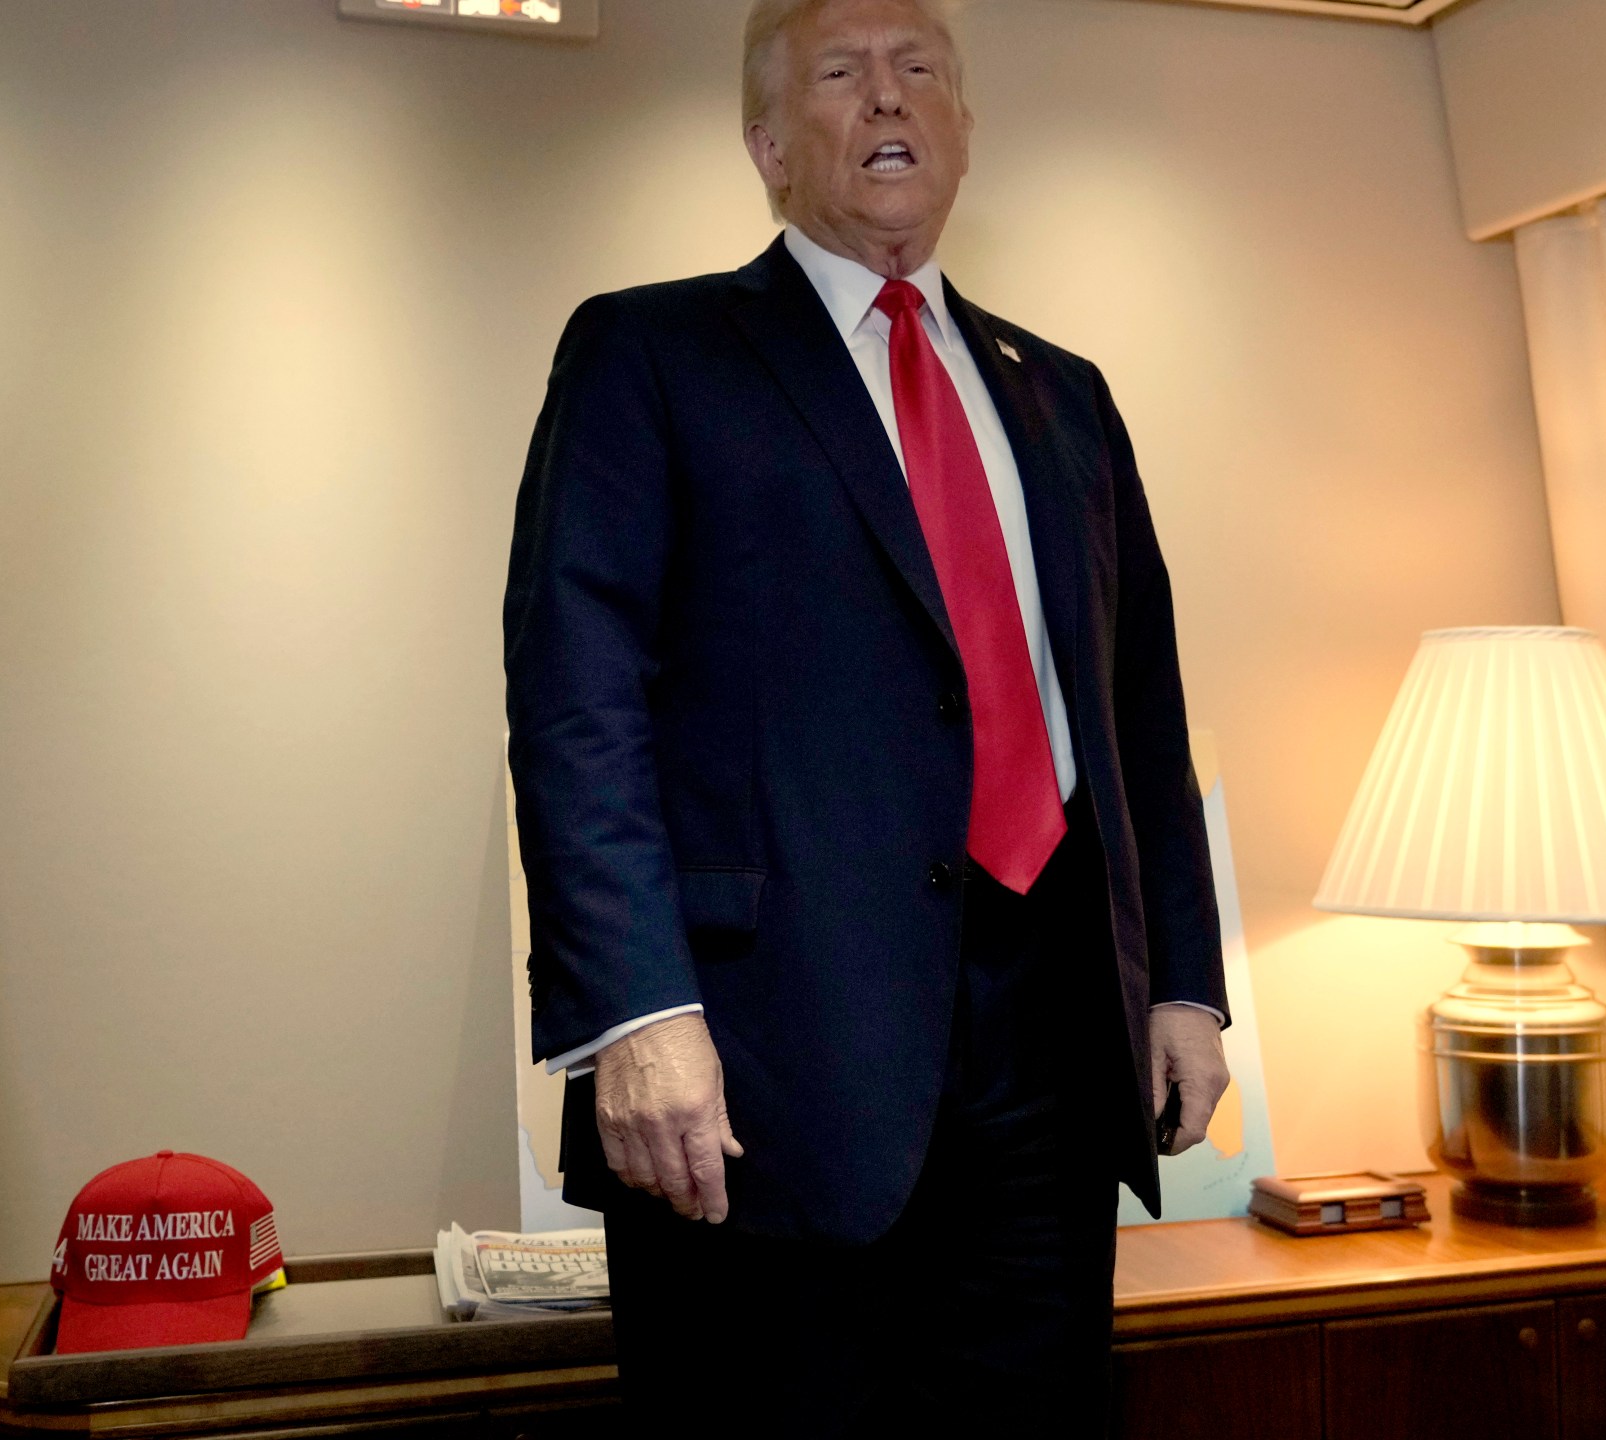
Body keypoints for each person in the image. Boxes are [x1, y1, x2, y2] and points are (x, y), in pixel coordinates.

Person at [501, 0, 1232, 1430]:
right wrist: (637, 1012)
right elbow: (575, 700)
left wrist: (1183, 984)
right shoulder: (651, 354)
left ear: (962, 131)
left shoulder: (1065, 395)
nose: (888, 96)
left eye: (922, 73)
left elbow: (1143, 707)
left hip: (1048, 1057)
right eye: (842, 74)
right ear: (770, 143)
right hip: (762, 1067)